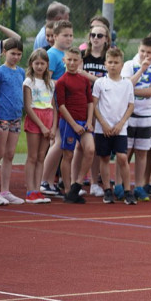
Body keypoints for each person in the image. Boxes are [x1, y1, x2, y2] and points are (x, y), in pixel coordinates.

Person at [92, 47, 136, 205]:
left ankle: (126, 190)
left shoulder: (127, 84)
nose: (113, 65)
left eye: (116, 62)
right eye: (110, 62)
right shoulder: (99, 83)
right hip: (102, 128)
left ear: (122, 64)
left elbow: (131, 106)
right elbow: (94, 106)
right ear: (105, 64)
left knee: (122, 158)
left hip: (120, 128)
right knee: (104, 157)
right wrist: (103, 124)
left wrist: (121, 123)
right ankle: (107, 190)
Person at [119, 37, 151, 201]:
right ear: (138, 49)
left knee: (142, 153)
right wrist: (141, 71)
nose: (145, 54)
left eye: (149, 52)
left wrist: (132, 90)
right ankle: (121, 185)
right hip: (129, 114)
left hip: (147, 116)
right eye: (143, 51)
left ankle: (139, 186)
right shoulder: (129, 65)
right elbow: (126, 84)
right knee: (125, 152)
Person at [56, 47, 95, 204]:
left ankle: (76, 185)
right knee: (68, 155)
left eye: (75, 60)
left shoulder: (84, 80)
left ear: (80, 62)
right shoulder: (61, 81)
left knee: (90, 150)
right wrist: (73, 124)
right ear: (64, 61)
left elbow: (90, 102)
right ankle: (67, 190)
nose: (72, 63)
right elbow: (61, 106)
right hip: (68, 123)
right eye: (69, 60)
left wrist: (89, 121)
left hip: (84, 123)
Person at [0, 38, 26, 204]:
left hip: (16, 117)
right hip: (2, 117)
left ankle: (5, 190)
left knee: (10, 154)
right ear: (4, 52)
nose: (16, 57)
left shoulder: (21, 72)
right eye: (12, 53)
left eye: (19, 54)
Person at [22, 49, 56, 204]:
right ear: (31, 64)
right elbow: (28, 107)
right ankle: (30, 191)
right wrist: (42, 126)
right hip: (36, 119)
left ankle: (38, 190)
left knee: (41, 156)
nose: (40, 66)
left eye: (43, 63)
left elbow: (53, 106)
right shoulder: (29, 82)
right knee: (33, 156)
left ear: (47, 64)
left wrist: (53, 127)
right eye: (37, 63)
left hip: (48, 118)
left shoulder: (51, 83)